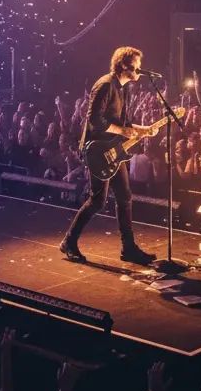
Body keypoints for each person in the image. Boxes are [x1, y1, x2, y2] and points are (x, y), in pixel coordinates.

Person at [60, 47, 157, 264]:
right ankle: (69, 242)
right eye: (136, 64)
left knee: (124, 197)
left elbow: (123, 124)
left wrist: (143, 128)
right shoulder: (105, 85)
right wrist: (123, 131)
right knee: (97, 200)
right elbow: (95, 120)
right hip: (97, 150)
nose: (140, 69)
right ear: (124, 65)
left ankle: (128, 249)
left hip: (113, 149)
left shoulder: (123, 88)